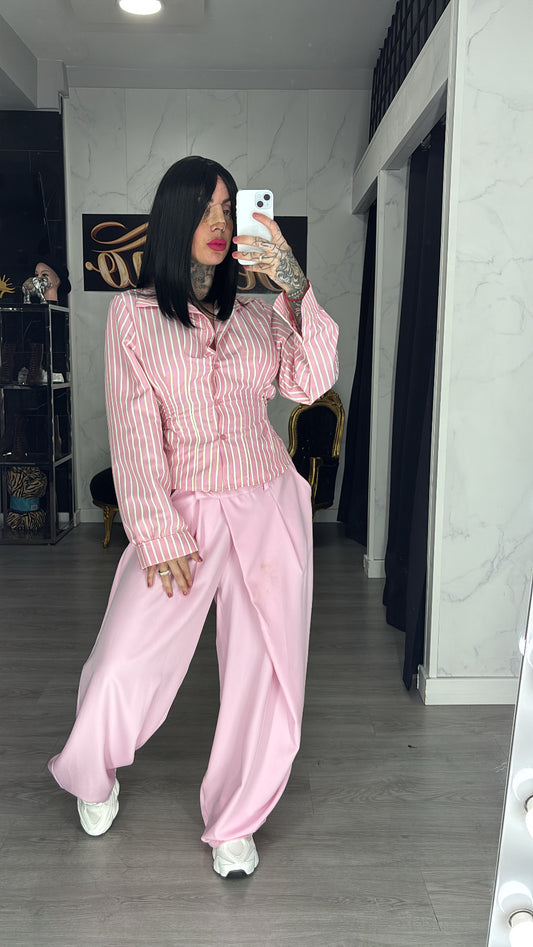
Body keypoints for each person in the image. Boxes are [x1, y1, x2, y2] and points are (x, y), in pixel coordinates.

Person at [48, 156, 339, 879]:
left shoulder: (256, 316)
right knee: (124, 657)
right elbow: (133, 429)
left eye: (228, 208)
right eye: (206, 208)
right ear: (174, 216)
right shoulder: (133, 316)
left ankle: (236, 818)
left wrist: (295, 285)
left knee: (265, 670)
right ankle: (92, 770)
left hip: (266, 500)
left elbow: (310, 382)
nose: (219, 222)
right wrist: (156, 530)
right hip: (179, 505)